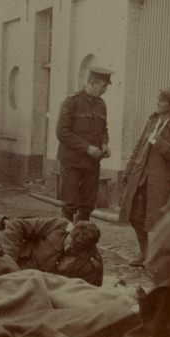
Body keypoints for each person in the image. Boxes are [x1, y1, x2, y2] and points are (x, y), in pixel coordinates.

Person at [119, 87, 170, 267]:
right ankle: (144, 252)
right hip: (141, 177)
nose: (157, 102)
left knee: (161, 222)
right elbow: (138, 147)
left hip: (163, 183)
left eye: (162, 100)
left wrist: (159, 141)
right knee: (135, 216)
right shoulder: (153, 121)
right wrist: (128, 170)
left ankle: (164, 257)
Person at [56, 66, 113, 222]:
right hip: (72, 163)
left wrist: (105, 144)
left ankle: (81, 241)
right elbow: (62, 132)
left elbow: (103, 130)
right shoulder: (71, 102)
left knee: (87, 205)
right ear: (93, 83)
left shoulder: (101, 104)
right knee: (69, 205)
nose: (105, 90)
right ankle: (65, 241)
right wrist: (87, 148)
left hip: (92, 164)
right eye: (104, 86)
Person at [1, 217, 103, 286]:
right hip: (19, 269)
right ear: (69, 232)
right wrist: (10, 262)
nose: (67, 249)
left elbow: (88, 293)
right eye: (67, 242)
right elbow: (16, 225)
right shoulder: (59, 225)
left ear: (86, 249)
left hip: (43, 289)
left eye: (74, 249)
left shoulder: (92, 264)